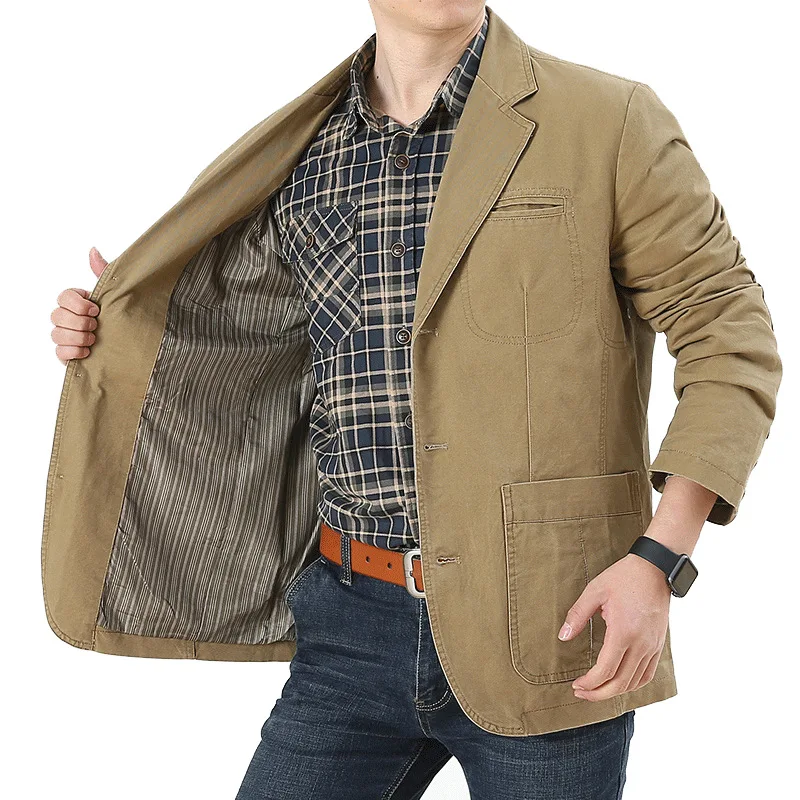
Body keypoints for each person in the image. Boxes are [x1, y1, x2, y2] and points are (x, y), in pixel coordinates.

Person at [47, 2, 782, 798]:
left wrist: (661, 559)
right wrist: (117, 326)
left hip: (552, 622)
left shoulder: (608, 121)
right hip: (348, 622)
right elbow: (243, 337)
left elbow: (729, 335)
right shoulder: (307, 151)